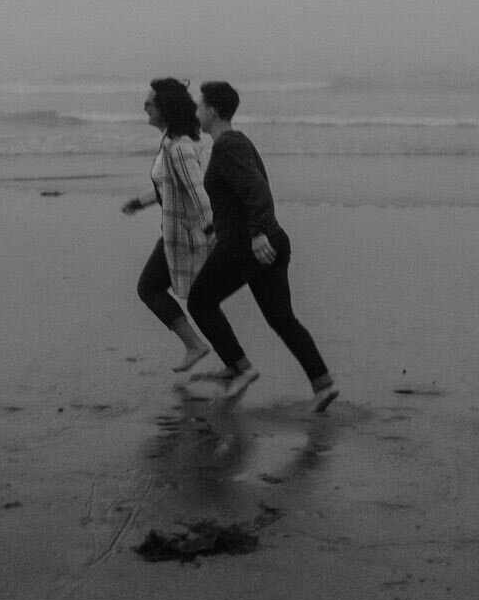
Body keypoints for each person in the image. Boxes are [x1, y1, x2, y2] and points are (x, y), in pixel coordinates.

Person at [187, 80, 338, 411]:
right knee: (282, 319)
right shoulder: (239, 142)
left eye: (200, 105)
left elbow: (258, 191)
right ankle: (322, 384)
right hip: (267, 240)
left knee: (199, 302)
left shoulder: (226, 145)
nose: (196, 110)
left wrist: (256, 234)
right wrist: (218, 224)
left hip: (249, 246)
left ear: (211, 111)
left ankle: (240, 369)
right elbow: (241, 195)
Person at [122, 77, 215, 371]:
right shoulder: (176, 141)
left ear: (165, 107)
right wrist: (142, 201)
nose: (145, 107)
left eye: (149, 103)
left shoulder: (179, 146)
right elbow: (173, 186)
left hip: (188, 234)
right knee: (196, 298)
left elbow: (197, 190)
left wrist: (211, 229)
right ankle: (226, 359)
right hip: (180, 232)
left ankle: (203, 349)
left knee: (151, 288)